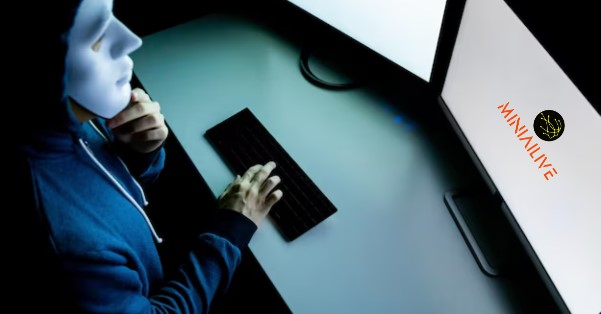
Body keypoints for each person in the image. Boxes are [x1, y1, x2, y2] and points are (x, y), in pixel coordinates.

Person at [8, 0, 283, 312]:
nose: (130, 39)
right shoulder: (70, 247)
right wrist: (231, 230)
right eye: (96, 37)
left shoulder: (60, 119)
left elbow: (113, 184)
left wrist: (140, 152)